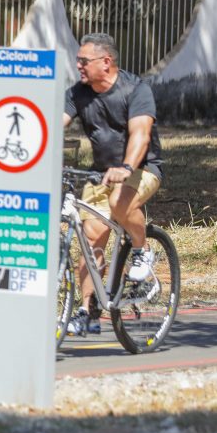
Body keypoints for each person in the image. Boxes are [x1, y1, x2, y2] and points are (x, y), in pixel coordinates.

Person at [63, 33, 164, 336]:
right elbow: (55, 123)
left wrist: (127, 167)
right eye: (78, 60)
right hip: (100, 173)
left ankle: (142, 250)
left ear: (106, 62)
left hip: (142, 169)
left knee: (121, 200)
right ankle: (87, 311)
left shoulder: (135, 89)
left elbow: (141, 135)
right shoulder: (77, 93)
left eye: (84, 61)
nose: (78, 66)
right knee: (89, 239)